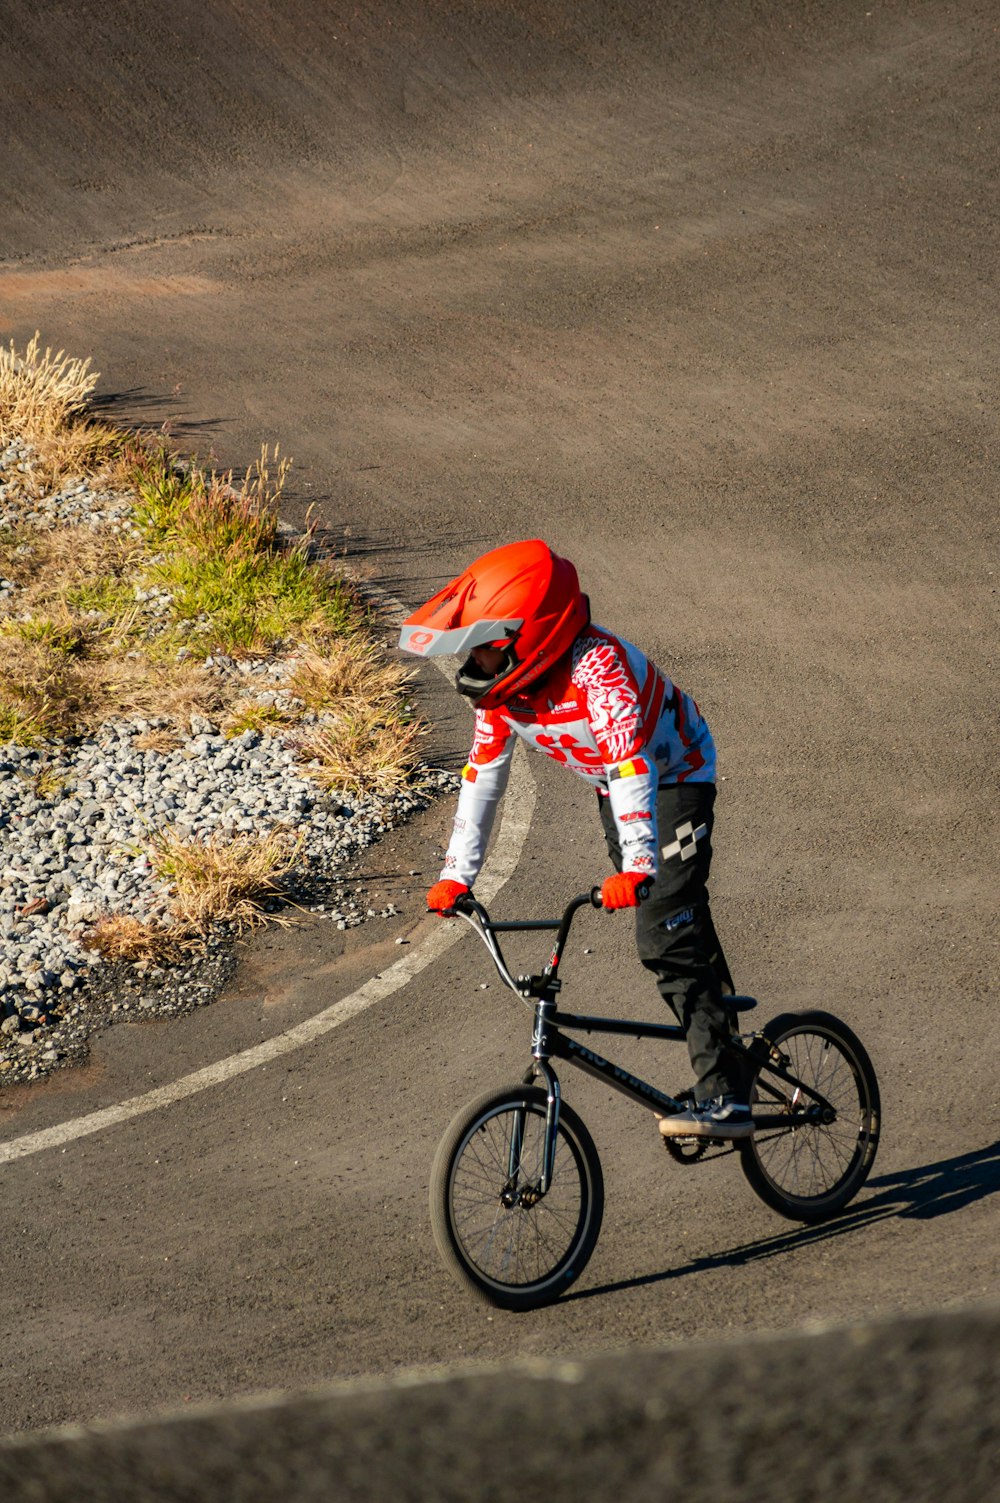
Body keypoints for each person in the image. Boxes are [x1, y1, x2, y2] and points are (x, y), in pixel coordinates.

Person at [398, 539, 752, 1139]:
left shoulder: (597, 669)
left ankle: (727, 1093)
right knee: (674, 924)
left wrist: (640, 863)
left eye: (485, 647)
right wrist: (457, 875)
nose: (476, 663)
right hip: (616, 789)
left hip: (673, 775)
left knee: (665, 925)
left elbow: (630, 765)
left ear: (529, 638)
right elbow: (482, 778)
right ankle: (718, 1020)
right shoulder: (504, 696)